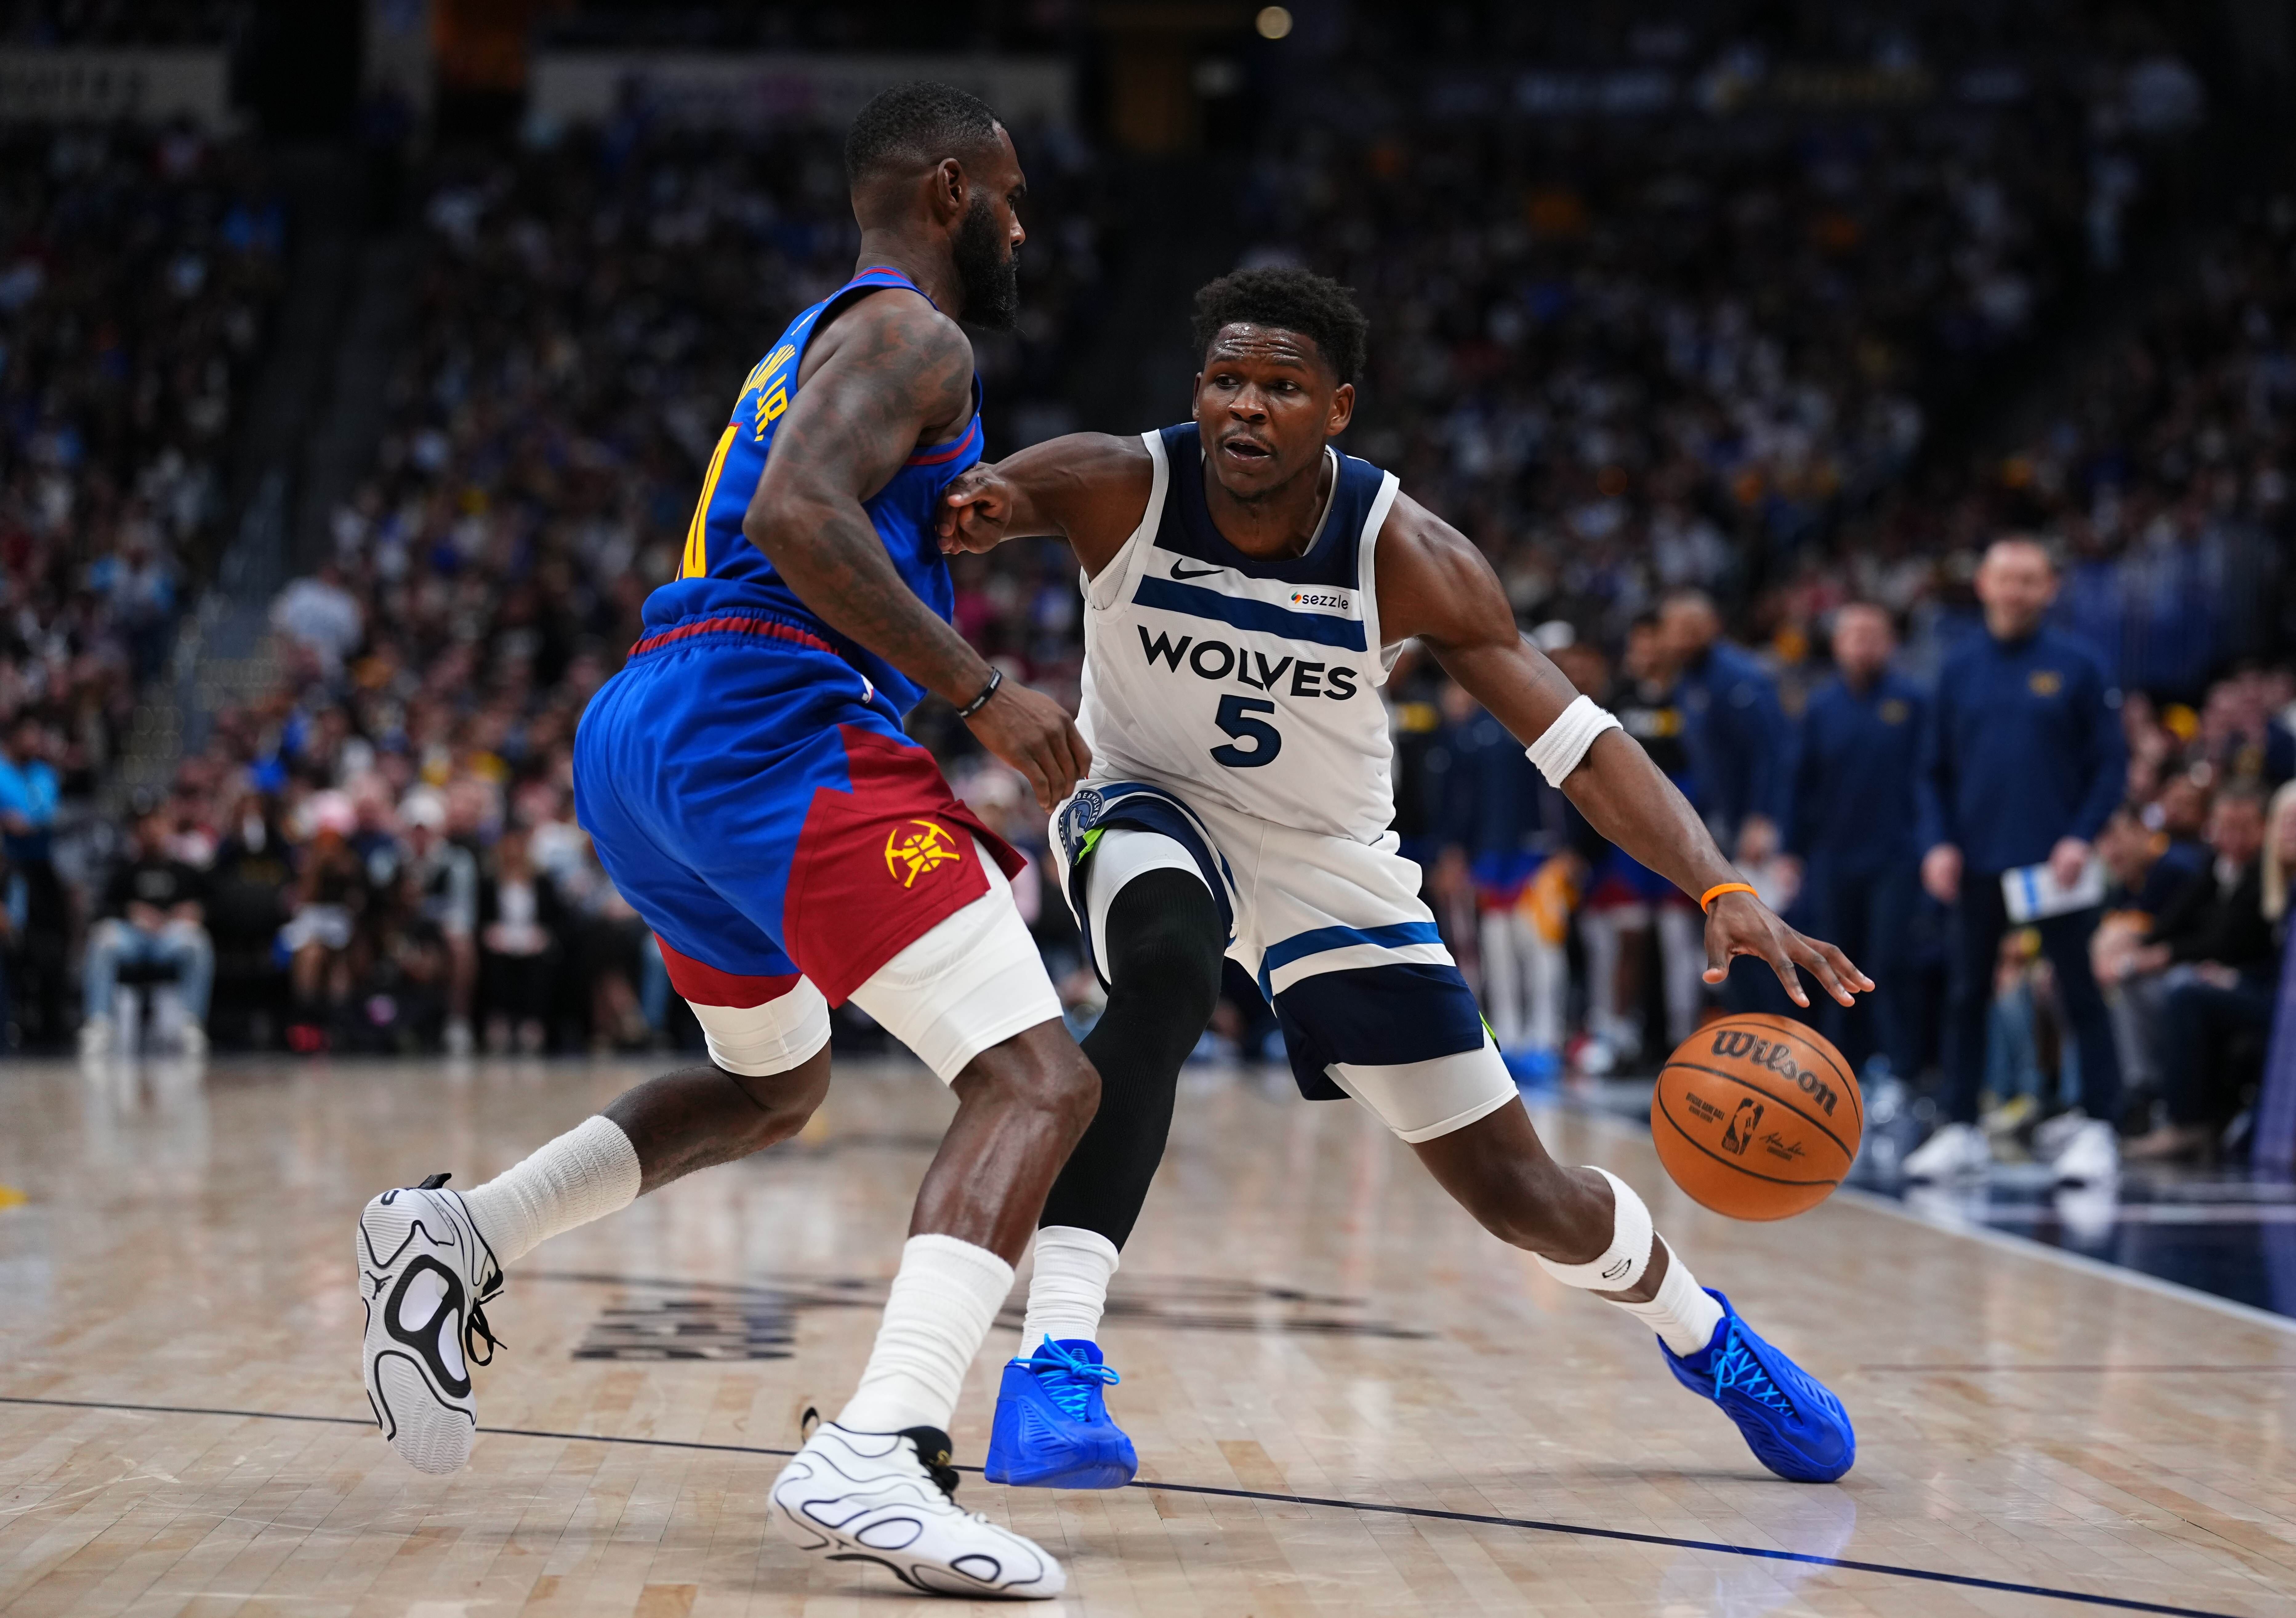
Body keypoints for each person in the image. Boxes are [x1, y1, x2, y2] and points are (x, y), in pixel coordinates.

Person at [938, 268, 1868, 1499]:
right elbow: (953, 514)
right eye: (1224, 380)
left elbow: (1578, 743)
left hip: (1329, 861)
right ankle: (1055, 1360)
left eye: (1280, 386)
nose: (1244, 406)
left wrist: (1715, 884)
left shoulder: (1408, 552)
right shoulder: (1116, 483)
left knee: (1522, 1196)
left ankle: (1703, 1336)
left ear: (1337, 408)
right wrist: (977, 542)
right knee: (1162, 972)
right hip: (1147, 805)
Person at [354, 83, 1095, 1600]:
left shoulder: (816, 339)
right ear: (948, 191)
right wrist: (982, 691)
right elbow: (796, 517)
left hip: (652, 728)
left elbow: (813, 500)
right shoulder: (916, 334)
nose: (1025, 227)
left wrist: (936, 531)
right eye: (1013, 196)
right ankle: (881, 1446)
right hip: (769, 718)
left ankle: (461, 1231)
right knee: (1037, 1078)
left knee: (774, 1082)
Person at [1909, 537, 2127, 1186]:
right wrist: (1937, 842)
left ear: (2049, 588)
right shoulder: (1957, 668)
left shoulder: (2079, 665)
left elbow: (2109, 765)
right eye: (2006, 578)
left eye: (2029, 579)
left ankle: (2099, 1126)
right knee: (1966, 994)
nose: (2016, 590)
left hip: (2054, 865)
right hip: (1975, 858)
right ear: (1983, 584)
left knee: (2078, 991)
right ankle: (1960, 1126)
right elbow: (1930, 770)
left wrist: (2080, 837)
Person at [1780, 603, 1924, 1085]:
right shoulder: (1820, 707)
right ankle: (1836, 1071)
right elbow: (1798, 783)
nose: (1863, 645)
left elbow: (1929, 778)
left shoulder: (1912, 702)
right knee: (1831, 964)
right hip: (1832, 857)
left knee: (1889, 964)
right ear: (1837, 645)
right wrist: (1790, 851)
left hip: (1896, 856)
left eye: (1872, 635)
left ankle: (1899, 1072)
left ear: (1890, 643)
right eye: (1853, 635)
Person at [2121, 784, 2278, 1160]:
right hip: (2226, 979)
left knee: (2184, 988)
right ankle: (2144, 1096)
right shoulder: (2215, 866)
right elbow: (2174, 921)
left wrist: (2228, 974)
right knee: (2134, 981)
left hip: (2261, 988)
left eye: (2243, 827)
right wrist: (2136, 949)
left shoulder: (2268, 874)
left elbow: (2233, 942)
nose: (2232, 838)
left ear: (2263, 828)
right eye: (2225, 827)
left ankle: (2186, 1122)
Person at [79, 807, 214, 1056]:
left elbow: (212, 904)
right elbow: (102, 909)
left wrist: (196, 911)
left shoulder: (185, 872)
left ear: (169, 827)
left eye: (157, 824)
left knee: (197, 942)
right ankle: (98, 1023)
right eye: (145, 825)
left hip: (171, 938)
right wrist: (130, 911)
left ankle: (191, 1024)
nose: (152, 831)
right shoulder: (125, 870)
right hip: (133, 939)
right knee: (103, 938)